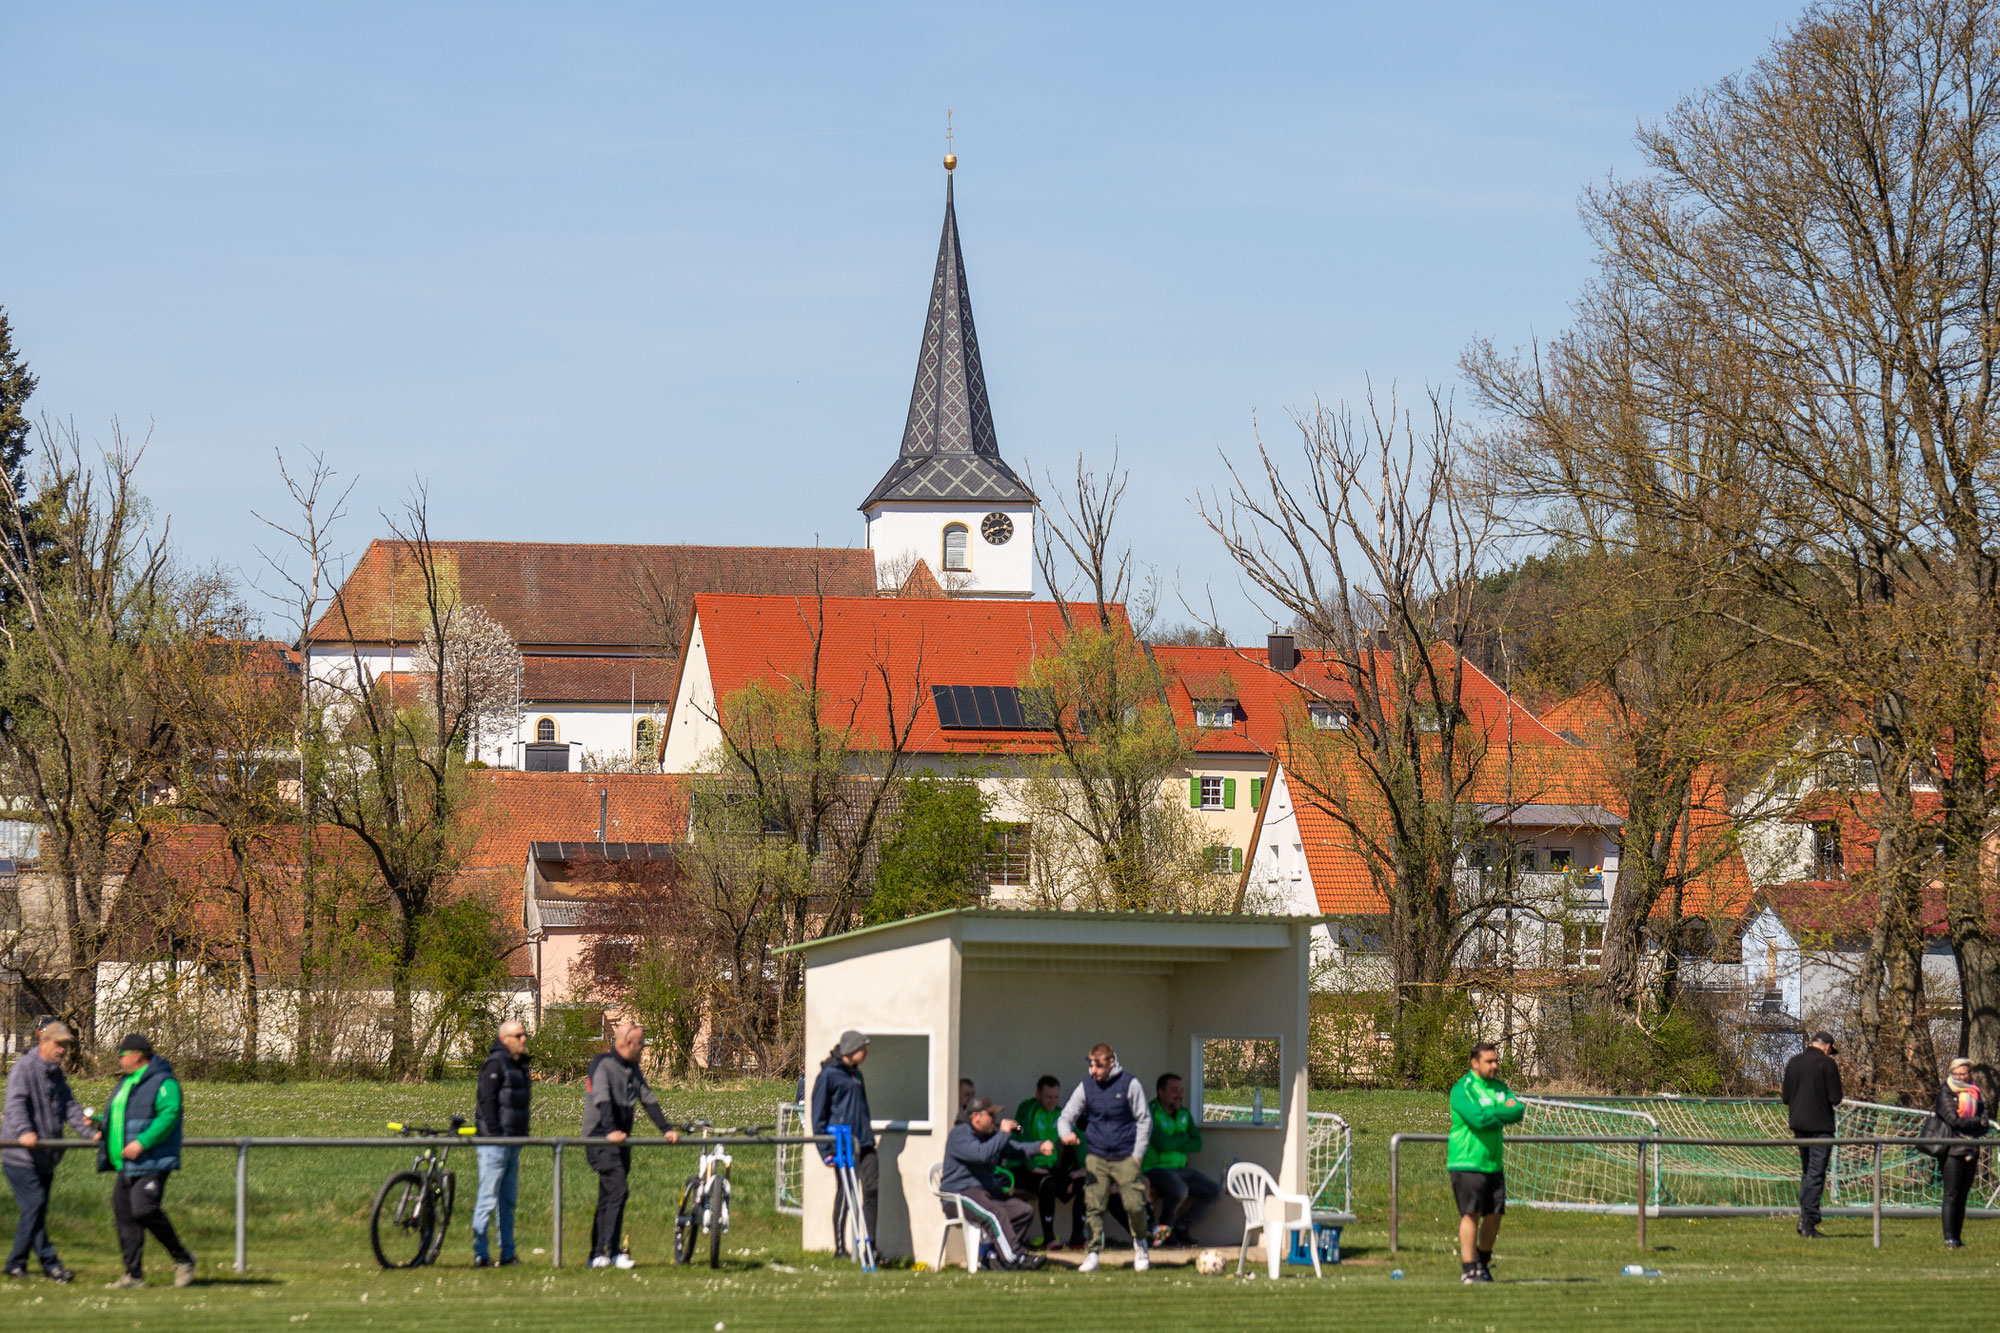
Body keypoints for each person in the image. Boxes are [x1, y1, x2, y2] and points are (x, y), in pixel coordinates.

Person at [98, 1033, 195, 1290]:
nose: (119, 1059)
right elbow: (121, 1115)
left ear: (137, 1054)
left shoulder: (164, 1082)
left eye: (122, 1054)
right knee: (125, 1216)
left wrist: (142, 1142)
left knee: (143, 1209)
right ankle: (133, 1275)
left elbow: (169, 1115)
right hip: (126, 1164)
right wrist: (99, 1123)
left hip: (152, 1160)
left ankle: (183, 1259)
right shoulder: (127, 1083)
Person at [4, 1019, 96, 1283]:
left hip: (46, 1156)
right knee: (34, 1205)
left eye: (66, 1046)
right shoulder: (24, 1068)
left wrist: (91, 1133)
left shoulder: (56, 1073)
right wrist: (24, 1132)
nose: (63, 1050)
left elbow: (70, 1108)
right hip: (20, 1156)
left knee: (37, 1212)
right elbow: (15, 1104)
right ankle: (47, 1263)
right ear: (43, 1042)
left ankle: (18, 1264)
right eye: (59, 1044)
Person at [582, 1021, 679, 1269]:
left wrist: (666, 1129)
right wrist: (611, 1130)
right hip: (600, 1137)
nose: (643, 1048)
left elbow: (648, 1099)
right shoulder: (603, 1064)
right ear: (627, 1043)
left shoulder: (632, 1069)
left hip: (620, 1140)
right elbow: (602, 1098)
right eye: (641, 1044)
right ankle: (608, 1253)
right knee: (618, 1190)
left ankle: (600, 1254)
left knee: (609, 1196)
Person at [1057, 1042, 1153, 1273]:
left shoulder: (1130, 1084)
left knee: (1134, 1205)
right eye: (1090, 1065)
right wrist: (1066, 1134)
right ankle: (1092, 1253)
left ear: (1111, 1062)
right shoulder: (1086, 1087)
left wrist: (1137, 1155)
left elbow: (1144, 1120)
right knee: (1094, 1206)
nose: (1093, 1071)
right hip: (1097, 1155)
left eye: (1097, 1066)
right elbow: (1066, 1116)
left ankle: (1140, 1244)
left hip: (1125, 1156)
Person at [941, 1094, 1050, 1270]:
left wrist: (1039, 1147)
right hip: (959, 1194)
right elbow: (980, 1154)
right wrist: (1003, 1133)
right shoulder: (959, 1134)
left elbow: (1013, 1149)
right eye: (990, 1115)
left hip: (983, 1193)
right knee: (994, 1213)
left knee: (1023, 1211)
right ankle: (1016, 1257)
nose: (995, 1120)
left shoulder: (988, 1135)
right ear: (976, 1116)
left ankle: (992, 1256)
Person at [1447, 1040, 1523, 1284]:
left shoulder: (1500, 1088)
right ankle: (1468, 1269)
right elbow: (1477, 1121)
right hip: (1467, 1162)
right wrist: (1500, 1113)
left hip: (1493, 1163)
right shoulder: (1463, 1088)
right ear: (1474, 1063)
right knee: (1471, 1213)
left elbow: (1518, 1111)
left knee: (1495, 1215)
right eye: (1489, 1061)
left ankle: (1482, 1261)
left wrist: (1490, 1112)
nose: (1494, 1065)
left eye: (1496, 1060)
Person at [811, 1030, 876, 1260]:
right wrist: (826, 1151)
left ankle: (870, 1246)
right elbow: (818, 1115)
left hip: (865, 1142)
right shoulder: (829, 1075)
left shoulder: (857, 1075)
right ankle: (840, 1247)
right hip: (843, 1144)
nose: (866, 1053)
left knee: (871, 1190)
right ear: (850, 1050)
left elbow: (863, 1108)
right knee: (846, 1192)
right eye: (862, 1049)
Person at [472, 1019, 531, 1268]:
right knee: (488, 1198)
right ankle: (481, 1254)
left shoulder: (519, 1065)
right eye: (519, 1035)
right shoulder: (495, 1063)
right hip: (494, 1143)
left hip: (512, 1141)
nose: (524, 1039)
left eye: (524, 1034)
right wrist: (496, 1133)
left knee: (508, 1201)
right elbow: (486, 1100)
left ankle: (508, 1253)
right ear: (505, 1039)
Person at [1142, 1073, 1220, 1246]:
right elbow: (1161, 1143)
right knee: (1179, 1189)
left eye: (1181, 1090)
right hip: (1154, 1169)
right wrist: (1184, 1138)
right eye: (1174, 1090)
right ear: (1160, 1092)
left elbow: (1197, 1144)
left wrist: (1175, 1141)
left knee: (1214, 1190)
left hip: (1180, 1169)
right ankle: (1164, 1233)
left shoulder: (1183, 1113)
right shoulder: (1150, 1113)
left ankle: (1182, 1226)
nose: (1179, 1094)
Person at [1780, 1031, 1842, 1239]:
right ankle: (1808, 1221)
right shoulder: (1827, 1065)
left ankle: (1804, 1219)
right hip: (1821, 1127)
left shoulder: (1794, 1062)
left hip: (1798, 1125)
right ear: (1827, 1047)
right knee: (1816, 1174)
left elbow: (1786, 1098)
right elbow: (1835, 1098)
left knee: (1808, 1172)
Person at [1012, 1076, 1085, 1249]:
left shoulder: (1059, 1114)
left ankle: (1077, 1238)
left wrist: (1085, 1167)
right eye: (1048, 1097)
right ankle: (1049, 1239)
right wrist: (1032, 1166)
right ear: (1038, 1095)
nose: (1053, 1101)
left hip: (1048, 1168)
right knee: (1048, 1183)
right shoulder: (1027, 1109)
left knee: (1084, 1184)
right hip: (1022, 1167)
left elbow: (1078, 1138)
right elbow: (1024, 1134)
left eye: (1056, 1097)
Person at [1933, 1057, 1991, 1249]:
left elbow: (1985, 1122)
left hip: (1970, 1148)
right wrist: (1977, 1123)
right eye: (1956, 1073)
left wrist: (1979, 1124)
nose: (1959, 1077)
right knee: (1951, 1194)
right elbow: (1954, 1120)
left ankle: (1957, 1237)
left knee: (1963, 1195)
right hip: (1951, 1150)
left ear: (1970, 1074)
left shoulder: (1975, 1093)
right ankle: (1949, 1238)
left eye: (1963, 1074)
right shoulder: (1946, 1092)